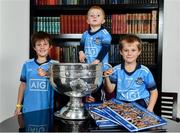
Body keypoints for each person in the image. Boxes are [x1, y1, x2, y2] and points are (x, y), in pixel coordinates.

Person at [103, 34, 158, 112]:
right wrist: (107, 77)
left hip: (140, 103)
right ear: (121, 52)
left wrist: (150, 109)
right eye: (126, 50)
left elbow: (154, 92)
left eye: (133, 50)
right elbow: (110, 90)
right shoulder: (116, 70)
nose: (129, 53)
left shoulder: (144, 71)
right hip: (122, 104)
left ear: (139, 52)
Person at [15, 31, 56, 115]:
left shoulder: (55, 65)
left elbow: (59, 83)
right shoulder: (27, 64)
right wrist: (18, 106)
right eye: (39, 45)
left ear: (50, 47)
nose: (42, 47)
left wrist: (47, 74)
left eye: (45, 44)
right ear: (34, 47)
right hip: (28, 109)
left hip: (46, 109)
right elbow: (23, 85)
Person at [79, 6, 112, 102]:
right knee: (88, 90)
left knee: (98, 90)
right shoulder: (85, 34)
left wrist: (97, 60)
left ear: (103, 21)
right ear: (87, 21)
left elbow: (105, 48)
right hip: (88, 68)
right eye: (91, 15)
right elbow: (81, 45)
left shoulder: (104, 34)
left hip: (100, 68)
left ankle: (99, 107)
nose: (94, 17)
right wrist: (81, 52)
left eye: (98, 15)